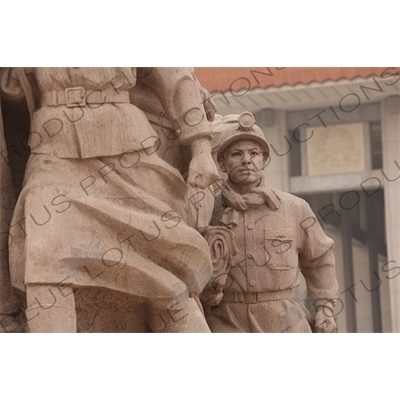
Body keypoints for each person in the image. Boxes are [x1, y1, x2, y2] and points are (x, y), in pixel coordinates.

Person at [1, 67, 219, 332]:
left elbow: (174, 76)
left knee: (162, 260)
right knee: (44, 254)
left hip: (127, 152)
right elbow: (13, 91)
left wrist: (201, 146)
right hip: (53, 152)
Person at [202, 112, 339, 333]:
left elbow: (319, 258)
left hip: (284, 321)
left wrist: (324, 308)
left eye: (254, 153)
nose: (246, 160)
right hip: (225, 320)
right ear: (222, 163)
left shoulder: (295, 208)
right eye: (236, 154)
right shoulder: (208, 210)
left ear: (264, 160)